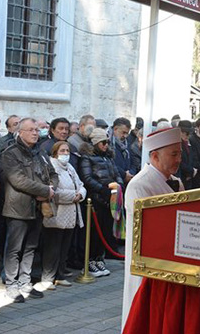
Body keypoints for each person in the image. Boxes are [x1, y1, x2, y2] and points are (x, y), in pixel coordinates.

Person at [122, 127, 183, 329]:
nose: (179, 159)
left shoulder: (177, 182)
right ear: (155, 155)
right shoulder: (139, 185)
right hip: (148, 260)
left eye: (180, 153)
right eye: (173, 154)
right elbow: (148, 228)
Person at [0, 117, 57, 303]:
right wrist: (44, 191)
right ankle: (11, 284)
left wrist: (50, 190)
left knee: (30, 247)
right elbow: (18, 180)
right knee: (14, 249)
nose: (35, 132)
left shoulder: (40, 152)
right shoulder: (10, 153)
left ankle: (25, 281)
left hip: (38, 208)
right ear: (20, 132)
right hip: (18, 208)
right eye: (31, 129)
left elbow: (53, 174)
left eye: (36, 129)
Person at [36, 141, 86, 292]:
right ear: (55, 152)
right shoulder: (51, 167)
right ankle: (47, 277)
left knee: (65, 246)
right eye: (62, 151)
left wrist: (80, 194)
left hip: (71, 213)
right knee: (53, 247)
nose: (65, 154)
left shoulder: (70, 167)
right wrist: (73, 196)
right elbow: (54, 192)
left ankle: (60, 274)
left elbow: (81, 184)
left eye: (67, 151)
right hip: (56, 213)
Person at [78, 128, 124, 274]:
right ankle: (90, 261)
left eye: (107, 142)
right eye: (103, 142)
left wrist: (118, 185)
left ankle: (99, 259)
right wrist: (103, 189)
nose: (105, 145)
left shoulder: (108, 157)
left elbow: (116, 173)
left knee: (105, 231)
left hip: (110, 199)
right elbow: (87, 178)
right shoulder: (87, 157)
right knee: (93, 234)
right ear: (96, 142)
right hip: (96, 199)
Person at [111, 117, 134, 184]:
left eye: (127, 133)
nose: (125, 136)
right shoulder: (107, 143)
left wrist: (130, 173)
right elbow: (110, 164)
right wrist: (124, 174)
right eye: (123, 132)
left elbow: (133, 161)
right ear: (115, 129)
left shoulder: (127, 144)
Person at [176, 120, 196, 190]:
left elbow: (192, 158)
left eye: (189, 133)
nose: (187, 136)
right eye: (185, 133)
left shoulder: (189, 143)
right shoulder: (176, 144)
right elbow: (179, 161)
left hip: (188, 179)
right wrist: (191, 170)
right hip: (180, 177)